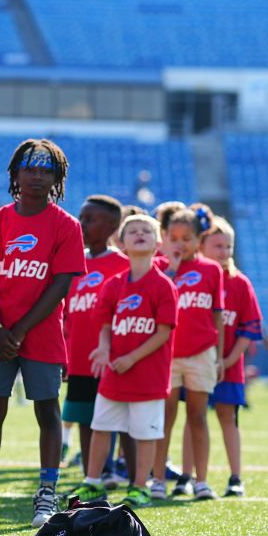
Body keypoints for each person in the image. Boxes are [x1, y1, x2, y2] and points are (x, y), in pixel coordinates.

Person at [0, 138, 86, 527]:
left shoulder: (67, 226)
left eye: (45, 170)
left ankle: (46, 495)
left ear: (56, 177)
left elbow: (61, 285)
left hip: (40, 334)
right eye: (29, 168)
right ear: (15, 174)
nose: (37, 175)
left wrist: (18, 330)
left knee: (47, 411)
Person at [67, 213, 176, 508]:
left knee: (144, 433)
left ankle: (141, 485)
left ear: (157, 242)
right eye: (133, 231)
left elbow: (163, 332)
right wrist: (104, 349)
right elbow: (104, 324)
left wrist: (132, 357)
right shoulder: (113, 285)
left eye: (146, 231)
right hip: (115, 372)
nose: (140, 234)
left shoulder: (163, 286)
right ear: (121, 242)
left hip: (148, 375)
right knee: (101, 426)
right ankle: (92, 482)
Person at [153, 204, 224, 501]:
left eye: (187, 238)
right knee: (165, 416)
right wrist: (170, 267)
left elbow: (217, 314)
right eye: (175, 237)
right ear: (166, 237)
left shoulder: (211, 269)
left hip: (201, 353)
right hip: (167, 354)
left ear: (199, 239)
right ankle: (157, 479)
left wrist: (219, 356)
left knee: (197, 416)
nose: (180, 243)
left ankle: (201, 480)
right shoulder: (159, 267)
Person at [61, 195, 130, 482]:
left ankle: (131, 474)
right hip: (79, 359)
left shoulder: (124, 265)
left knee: (123, 421)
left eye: (91, 219)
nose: (83, 224)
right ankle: (93, 477)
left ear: (113, 226)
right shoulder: (74, 263)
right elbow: (65, 313)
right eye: (82, 217)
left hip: (113, 359)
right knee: (85, 419)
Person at [196, 216, 262, 497]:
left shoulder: (240, 283)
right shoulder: (196, 278)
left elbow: (249, 328)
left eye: (228, 246)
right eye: (218, 246)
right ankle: (193, 477)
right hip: (197, 362)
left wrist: (229, 360)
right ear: (202, 246)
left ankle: (236, 477)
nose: (224, 252)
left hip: (228, 366)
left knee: (228, 416)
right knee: (195, 417)